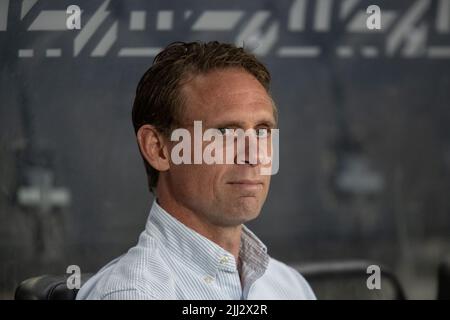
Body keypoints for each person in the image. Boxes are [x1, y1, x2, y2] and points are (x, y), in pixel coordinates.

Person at [76, 41, 316, 300]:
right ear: (158, 149)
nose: (255, 155)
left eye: (262, 131)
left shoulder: (289, 287)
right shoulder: (133, 294)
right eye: (225, 132)